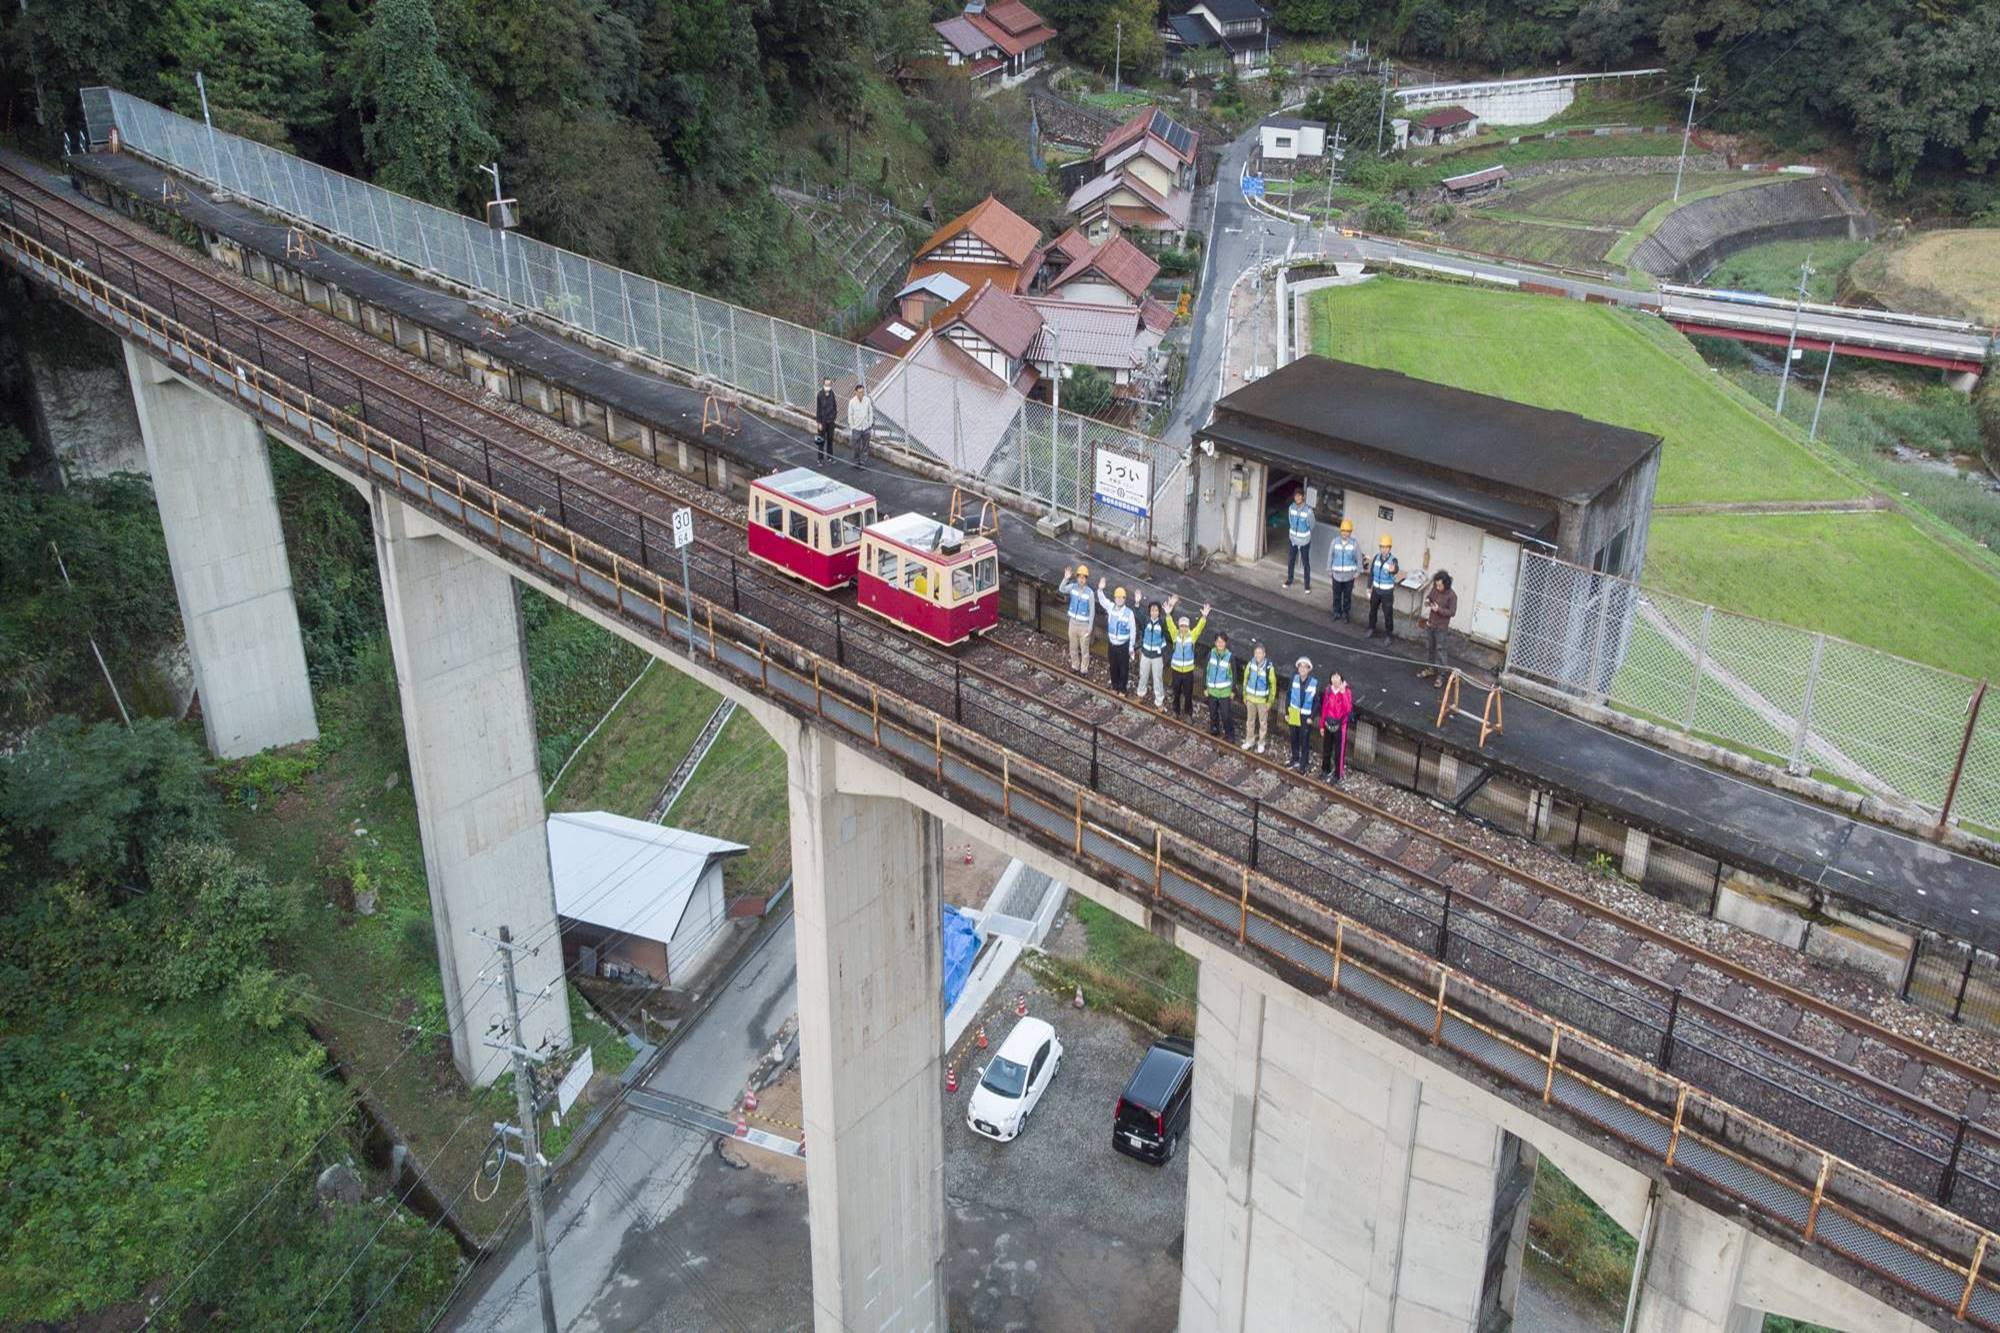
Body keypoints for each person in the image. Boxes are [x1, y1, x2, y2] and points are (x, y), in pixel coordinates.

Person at [1166, 601, 1208, 720]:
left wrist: (1204, 617)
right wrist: (1168, 615)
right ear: (1179, 627)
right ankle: (1176, 711)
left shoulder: (1192, 636)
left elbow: (1199, 628)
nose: (1183, 628)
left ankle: (1188, 714)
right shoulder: (1175, 635)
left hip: (1188, 672)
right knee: (1176, 692)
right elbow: (1170, 626)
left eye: (1185, 626)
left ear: (1188, 627)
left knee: (1188, 694)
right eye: (1181, 626)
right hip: (1176, 671)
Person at [1136, 595, 1175, 708]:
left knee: (1157, 678)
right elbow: (1138, 614)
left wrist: (1171, 607)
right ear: (1149, 611)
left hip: (1157, 657)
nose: (1154, 612)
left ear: (1159, 612)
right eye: (1152, 610)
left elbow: (1169, 621)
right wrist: (1137, 603)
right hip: (1145, 655)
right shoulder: (1146, 621)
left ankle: (1159, 702)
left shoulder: (1162, 623)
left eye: (1156, 610)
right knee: (1143, 675)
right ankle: (1140, 695)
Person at [1421, 571, 1458, 685]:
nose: (1437, 587)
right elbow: (1430, 597)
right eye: (1436, 585)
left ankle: (1441, 675)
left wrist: (1439, 610)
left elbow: (1452, 612)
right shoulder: (1435, 589)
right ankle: (1430, 669)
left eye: (1439, 585)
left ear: (1446, 584)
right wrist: (1428, 601)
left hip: (1441, 627)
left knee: (1440, 650)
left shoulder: (1452, 595)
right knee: (1429, 648)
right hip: (1431, 623)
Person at [1099, 580, 1135, 693]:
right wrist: (1100, 589)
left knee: (1123, 668)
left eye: (1121, 598)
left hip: (1123, 646)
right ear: (1115, 598)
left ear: (1124, 599)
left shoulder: (1129, 613)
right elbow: (1102, 600)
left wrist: (1131, 647)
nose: (1119, 599)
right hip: (1112, 645)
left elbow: (1133, 631)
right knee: (1113, 667)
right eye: (1117, 597)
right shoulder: (1111, 607)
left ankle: (1122, 689)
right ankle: (1115, 687)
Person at [1058, 564, 1095, 673]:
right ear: (1077, 577)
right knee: (1073, 647)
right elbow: (1061, 589)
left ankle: (1084, 669)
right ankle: (1075, 665)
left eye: (1084, 577)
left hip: (1084, 625)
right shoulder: (1073, 587)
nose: (1081, 579)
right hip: (1073, 623)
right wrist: (1065, 578)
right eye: (1080, 577)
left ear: (1086, 579)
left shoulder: (1090, 593)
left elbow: (1092, 610)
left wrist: (1090, 627)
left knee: (1084, 649)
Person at [1285, 657, 1320, 772]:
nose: (1302, 669)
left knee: (1304, 739)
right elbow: (1288, 696)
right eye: (1300, 666)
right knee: (1293, 737)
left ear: (1309, 669)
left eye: (1305, 666)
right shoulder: (1294, 679)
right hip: (1294, 712)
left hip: (1305, 715)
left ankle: (1303, 764)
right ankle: (1295, 759)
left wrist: (1312, 717)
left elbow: (1316, 702)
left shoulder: (1314, 683)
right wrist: (1287, 712)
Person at [1319, 670, 1354, 783]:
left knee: (1339, 751)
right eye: (1333, 677)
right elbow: (1324, 708)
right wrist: (1321, 725)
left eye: (1337, 677)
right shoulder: (1328, 690)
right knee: (1327, 748)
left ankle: (1338, 774)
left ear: (1341, 679)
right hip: (1328, 723)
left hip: (1340, 725)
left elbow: (1348, 709)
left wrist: (1343, 693)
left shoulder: (1346, 691)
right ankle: (1325, 769)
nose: (1335, 679)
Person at [1240, 642, 1275, 754]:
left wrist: (1270, 701)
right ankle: (1249, 740)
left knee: (1263, 723)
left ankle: (1261, 742)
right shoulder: (1250, 664)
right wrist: (1245, 695)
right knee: (1250, 721)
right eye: (1256, 653)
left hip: (1262, 701)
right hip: (1250, 699)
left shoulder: (1269, 667)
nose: (1258, 655)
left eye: (1260, 653)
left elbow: (1272, 685)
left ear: (1264, 654)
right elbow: (1245, 680)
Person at [1203, 631, 1238, 741]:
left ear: (1225, 643)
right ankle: (1214, 729)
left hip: (1224, 692)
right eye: (1218, 641)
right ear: (1215, 643)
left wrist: (1233, 691)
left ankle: (1230, 735)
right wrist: (1205, 687)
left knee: (1226, 715)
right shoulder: (1210, 654)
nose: (1220, 644)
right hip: (1212, 690)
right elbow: (1206, 671)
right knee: (1213, 713)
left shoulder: (1230, 657)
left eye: (1222, 642)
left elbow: (1234, 675)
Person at [1367, 534, 1400, 640]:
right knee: (1372, 611)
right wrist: (1369, 587)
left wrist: (1393, 570)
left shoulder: (1393, 560)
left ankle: (1389, 635)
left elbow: (1396, 569)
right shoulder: (1376, 558)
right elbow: (1371, 573)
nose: (1384, 549)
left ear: (1390, 548)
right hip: (1376, 590)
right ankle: (1371, 628)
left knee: (1388, 614)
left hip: (1387, 592)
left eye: (1386, 547)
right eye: (1382, 547)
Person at [1327, 517, 1360, 623]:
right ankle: (1336, 612)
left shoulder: (1354, 544)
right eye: (1343, 531)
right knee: (1336, 595)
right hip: (1336, 575)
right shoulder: (1335, 542)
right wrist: (1329, 569)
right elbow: (1330, 556)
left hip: (1349, 577)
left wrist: (1358, 571)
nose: (1345, 533)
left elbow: (1359, 558)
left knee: (1347, 597)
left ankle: (1346, 614)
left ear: (1350, 532)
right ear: (1340, 531)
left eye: (1348, 531)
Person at [1283, 488, 1314, 591]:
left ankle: (1307, 585)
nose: (1298, 497)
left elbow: (1312, 525)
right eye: (1296, 496)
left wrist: (1304, 533)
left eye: (1300, 495)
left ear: (1303, 497)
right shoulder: (1291, 508)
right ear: (1294, 497)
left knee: (1306, 563)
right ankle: (1289, 580)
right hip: (1293, 540)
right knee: (1291, 560)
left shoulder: (1308, 510)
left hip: (1304, 541)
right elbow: (1290, 521)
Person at [814, 377, 839, 464]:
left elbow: (835, 407)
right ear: (823, 384)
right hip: (822, 422)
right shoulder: (820, 395)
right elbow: (818, 409)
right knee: (820, 441)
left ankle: (830, 457)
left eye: (829, 384)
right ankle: (820, 459)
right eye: (826, 384)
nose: (828, 386)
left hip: (830, 422)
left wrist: (833, 417)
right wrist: (819, 422)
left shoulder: (832, 394)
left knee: (830, 440)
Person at [847, 383, 874, 463]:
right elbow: (850, 415)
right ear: (855, 392)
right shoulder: (852, 402)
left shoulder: (867, 400)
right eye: (859, 392)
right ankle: (856, 460)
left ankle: (864, 460)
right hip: (856, 428)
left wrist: (869, 423)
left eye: (862, 392)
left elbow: (870, 412)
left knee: (866, 445)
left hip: (866, 427)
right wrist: (852, 426)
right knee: (856, 446)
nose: (861, 394)